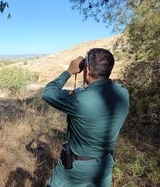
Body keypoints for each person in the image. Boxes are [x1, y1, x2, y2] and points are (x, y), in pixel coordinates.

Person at [42, 48, 129, 187]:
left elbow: (48, 93)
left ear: (87, 70)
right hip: (104, 166)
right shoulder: (123, 93)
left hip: (75, 171)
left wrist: (69, 71)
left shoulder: (80, 99)